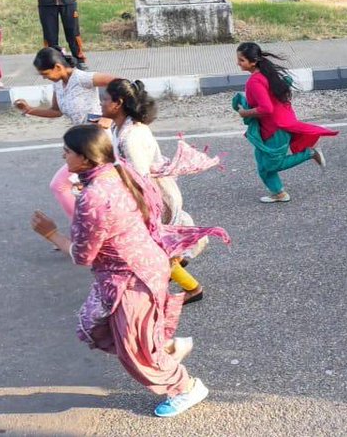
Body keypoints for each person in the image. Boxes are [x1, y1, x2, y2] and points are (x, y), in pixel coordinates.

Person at [56, 124, 227, 418]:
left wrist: (50, 234)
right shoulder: (120, 172)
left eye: (67, 151)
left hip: (130, 279)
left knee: (134, 351)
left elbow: (83, 255)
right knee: (100, 325)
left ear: (85, 158)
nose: (63, 155)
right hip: (146, 264)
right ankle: (166, 347)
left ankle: (186, 387)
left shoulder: (94, 196)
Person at [99, 78, 209, 303]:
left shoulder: (131, 137)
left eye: (104, 100)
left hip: (153, 197)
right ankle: (173, 265)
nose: (101, 104)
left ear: (118, 103)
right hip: (145, 194)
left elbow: (140, 178)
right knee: (156, 245)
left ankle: (192, 288)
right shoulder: (118, 126)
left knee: (153, 247)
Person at [15, 48, 117, 231]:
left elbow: (118, 83)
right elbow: (56, 111)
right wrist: (29, 109)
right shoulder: (58, 84)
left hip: (98, 144)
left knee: (63, 185)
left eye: (46, 74)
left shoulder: (82, 78)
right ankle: (90, 229)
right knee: (82, 189)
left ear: (57, 66)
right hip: (81, 145)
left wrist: (109, 116)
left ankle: (84, 230)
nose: (45, 78)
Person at [234, 43, 333, 203]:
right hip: (267, 129)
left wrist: (245, 112)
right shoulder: (267, 74)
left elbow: (266, 108)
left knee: (273, 164)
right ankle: (279, 193)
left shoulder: (255, 81)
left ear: (253, 62)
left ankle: (310, 153)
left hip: (275, 130)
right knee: (262, 163)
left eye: (241, 60)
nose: (238, 63)